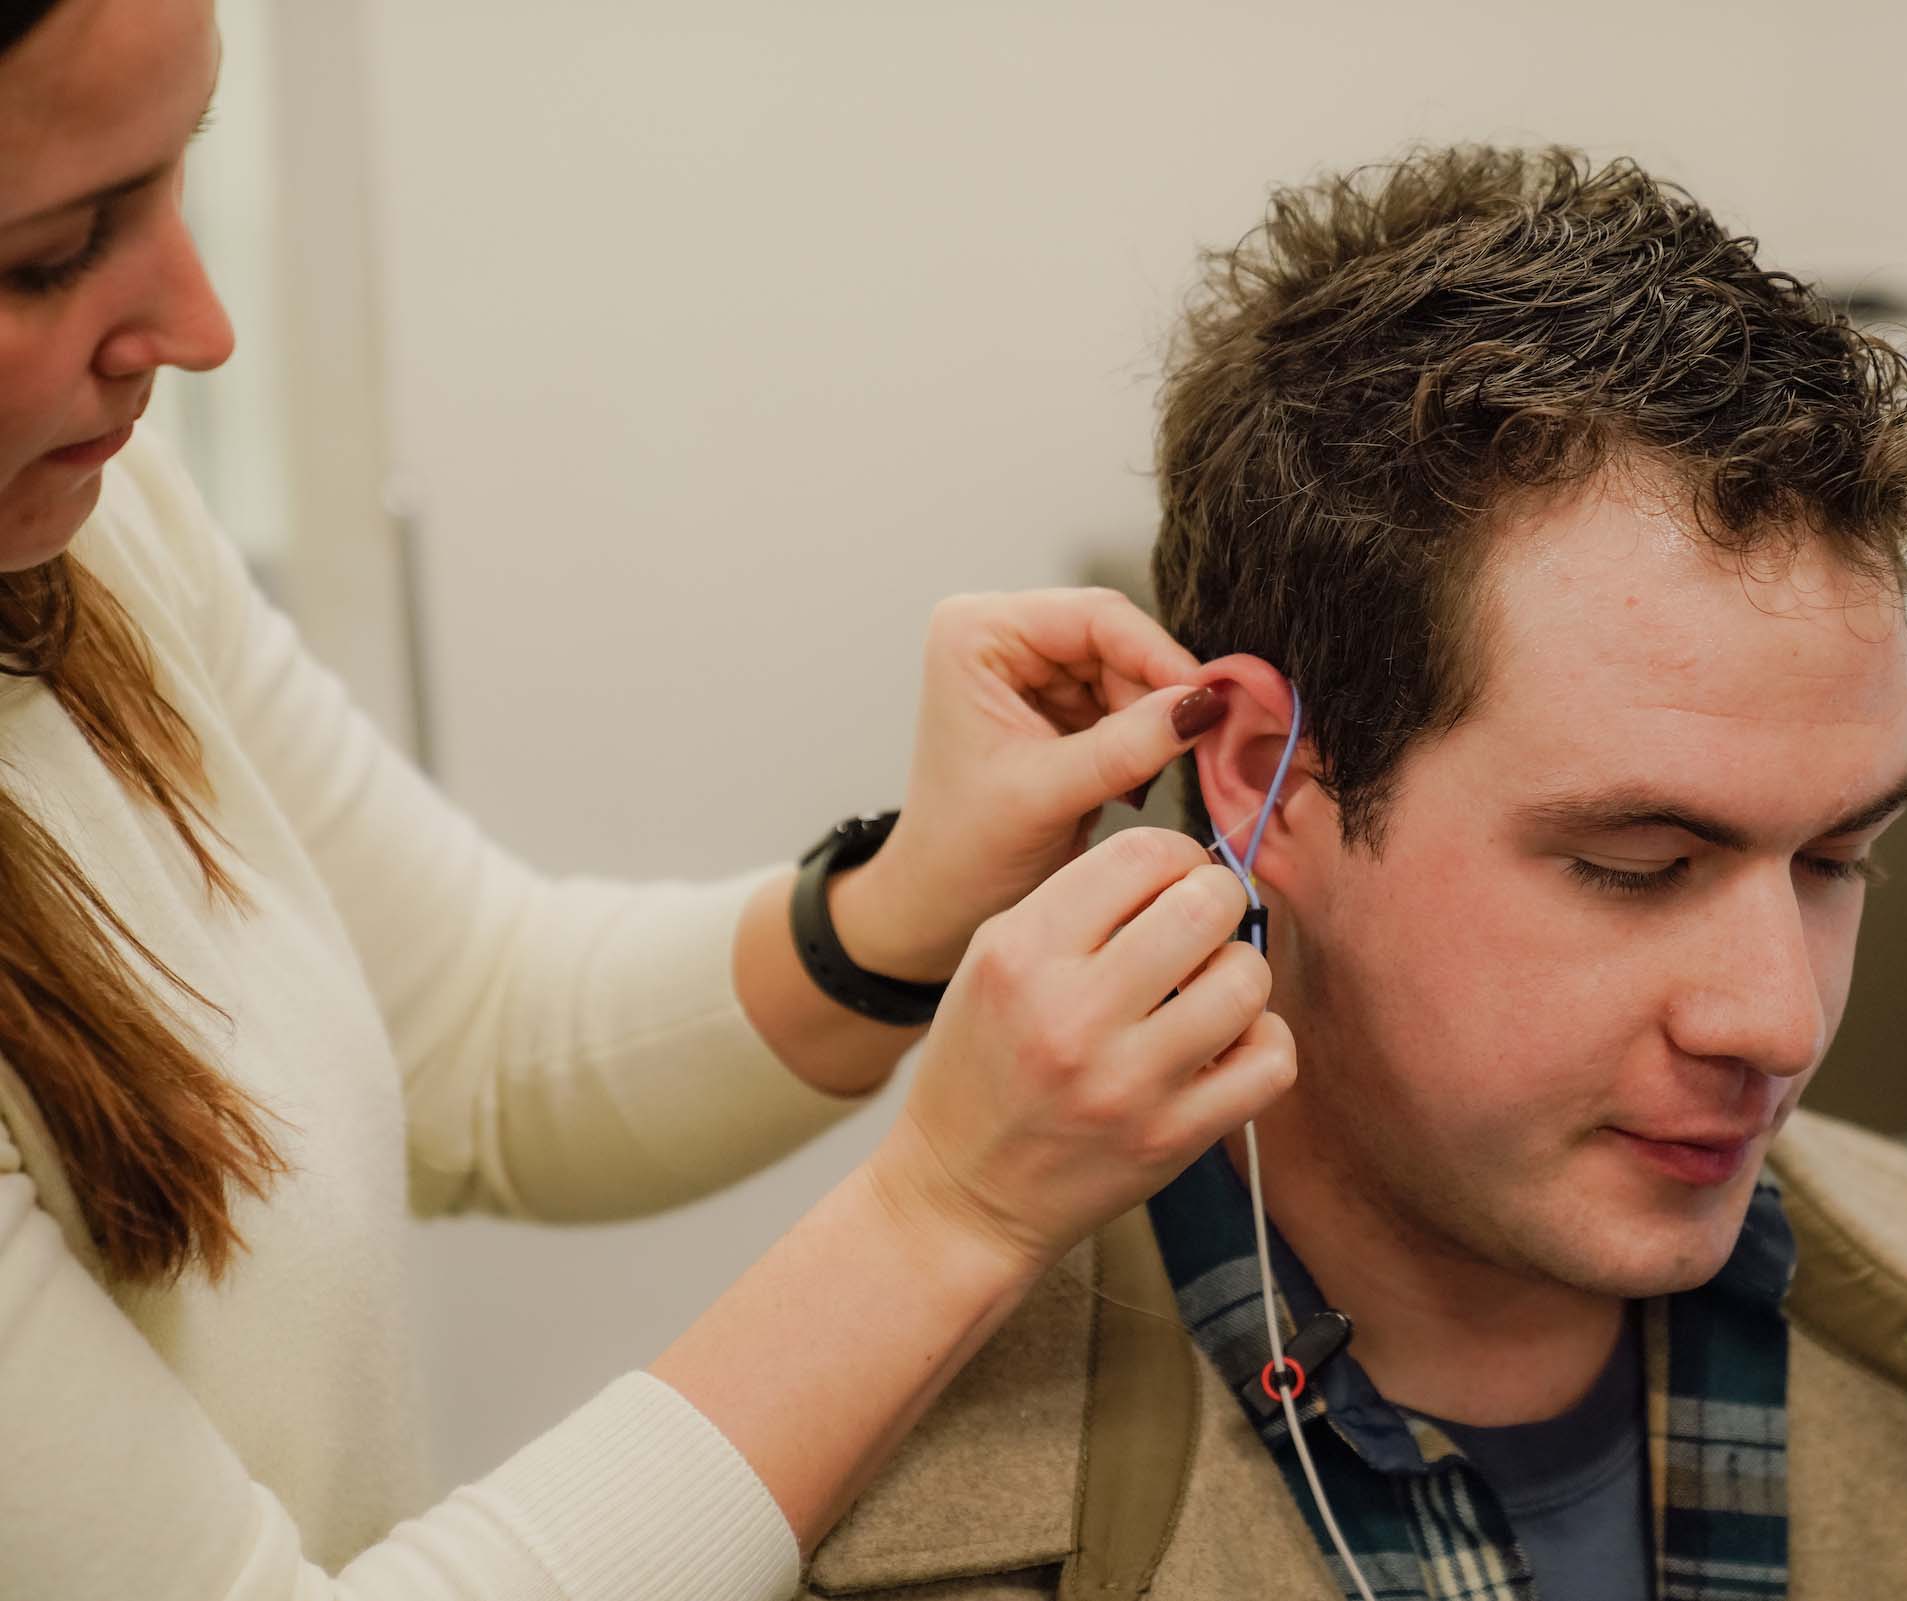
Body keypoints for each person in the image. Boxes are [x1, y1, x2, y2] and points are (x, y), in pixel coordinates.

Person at [798, 148, 1907, 1600]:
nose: (1779, 1022)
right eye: (1637, 863)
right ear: (1271, 775)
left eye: (1840, 857)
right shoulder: (901, 1525)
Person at [0, 1, 1301, 1596]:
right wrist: (942, 1209)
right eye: (50, 255)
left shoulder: (92, 518)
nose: (200, 326)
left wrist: (905, 905)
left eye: (177, 170)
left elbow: (479, 1030)